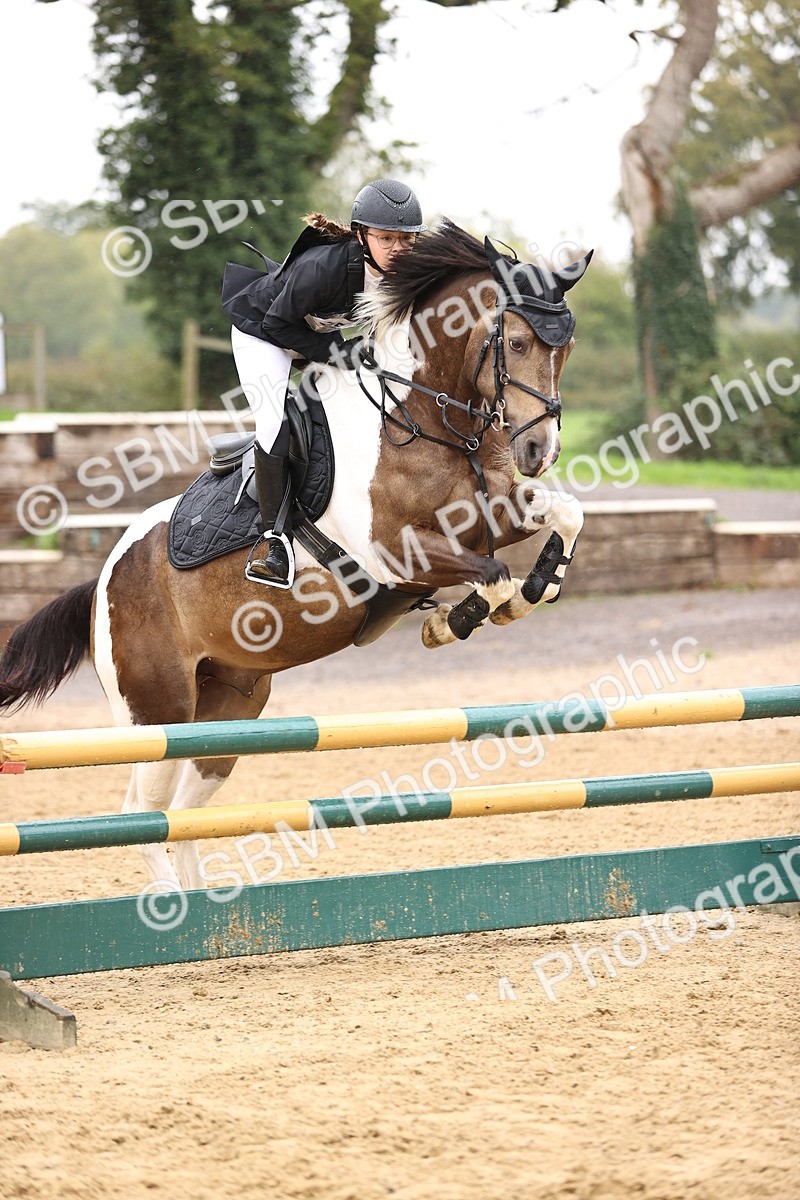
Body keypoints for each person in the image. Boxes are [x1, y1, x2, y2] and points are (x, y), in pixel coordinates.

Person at [221, 178, 426, 587]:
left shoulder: (402, 274)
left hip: (312, 336)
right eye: (387, 239)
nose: (398, 249)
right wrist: (336, 352)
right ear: (362, 236)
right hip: (263, 334)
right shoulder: (324, 269)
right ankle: (273, 541)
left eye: (407, 239)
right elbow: (277, 324)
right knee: (273, 424)